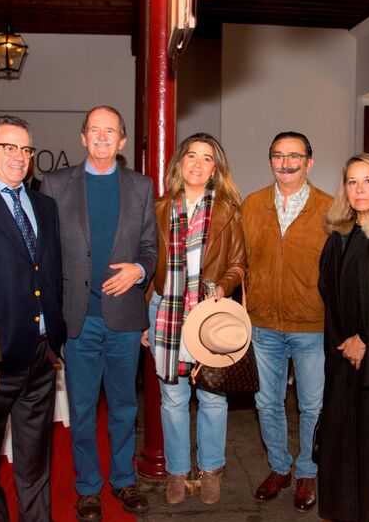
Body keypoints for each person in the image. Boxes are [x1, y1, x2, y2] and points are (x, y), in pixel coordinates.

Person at [41, 105, 157, 521]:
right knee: (83, 407)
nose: (103, 137)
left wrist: (139, 270)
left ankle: (124, 481)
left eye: (111, 131)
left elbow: (150, 249)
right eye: (95, 130)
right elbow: (46, 253)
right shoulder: (54, 184)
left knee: (125, 406)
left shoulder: (141, 187)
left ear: (122, 141)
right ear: (83, 137)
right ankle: (88, 488)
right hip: (77, 319)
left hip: (124, 319)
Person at [0, 115, 67, 521]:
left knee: (34, 458)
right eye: (8, 147)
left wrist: (54, 338)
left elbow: (51, 271)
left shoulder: (45, 205)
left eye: (25, 149)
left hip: (41, 357)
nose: (19, 157)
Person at [141, 132, 246, 505]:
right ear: (179, 164)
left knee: (213, 397)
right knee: (172, 398)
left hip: (208, 318)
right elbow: (148, 264)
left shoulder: (228, 211)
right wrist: (144, 321)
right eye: (191, 156)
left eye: (206, 158)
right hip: (165, 312)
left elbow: (238, 264)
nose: (198, 164)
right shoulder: (158, 208)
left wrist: (223, 286)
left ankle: (212, 469)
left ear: (215, 169)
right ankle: (177, 472)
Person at [241, 131, 333, 511]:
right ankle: (280, 467)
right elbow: (240, 262)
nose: (286, 162)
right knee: (267, 402)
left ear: (309, 162)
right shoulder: (252, 205)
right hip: (263, 324)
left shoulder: (331, 209)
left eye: (294, 155)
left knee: (312, 406)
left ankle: (308, 471)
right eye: (278, 155)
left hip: (311, 325)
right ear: (270, 161)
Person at [316, 153, 369, 522]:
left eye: (368, 180)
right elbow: (328, 293)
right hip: (342, 353)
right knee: (340, 435)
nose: (359, 188)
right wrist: (343, 341)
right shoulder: (341, 235)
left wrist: (365, 340)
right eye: (352, 181)